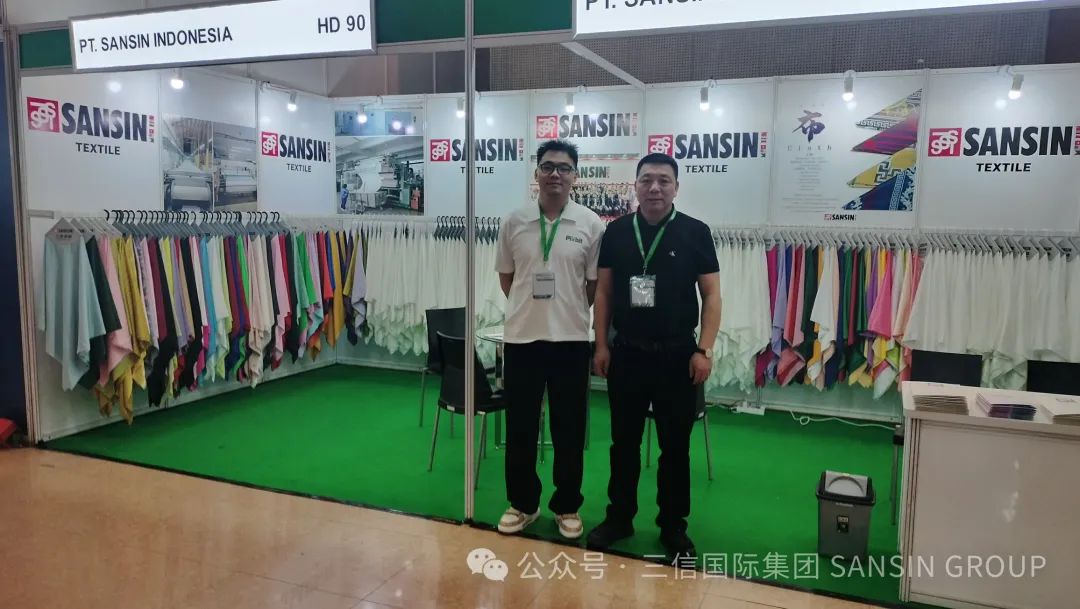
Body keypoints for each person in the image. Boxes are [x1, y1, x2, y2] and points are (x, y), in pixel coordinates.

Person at [587, 152, 722, 559]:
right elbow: (604, 293)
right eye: (646, 180)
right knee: (623, 444)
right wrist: (601, 344)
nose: (655, 188)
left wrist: (704, 349)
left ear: (676, 187)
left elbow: (712, 295)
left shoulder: (696, 232)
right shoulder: (616, 233)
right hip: (627, 354)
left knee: (675, 447)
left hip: (678, 357)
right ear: (636, 186)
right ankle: (619, 517)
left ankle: (673, 526)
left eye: (664, 180)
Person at [495, 140, 606, 539]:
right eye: (547, 166)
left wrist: (566, 310)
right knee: (520, 428)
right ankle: (523, 504)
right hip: (522, 340)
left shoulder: (590, 224)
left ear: (575, 175)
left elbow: (592, 286)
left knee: (569, 430)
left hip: (570, 341)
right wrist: (533, 307)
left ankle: (567, 506)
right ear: (536, 173)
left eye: (563, 167)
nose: (555, 174)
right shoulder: (514, 221)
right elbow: (507, 278)